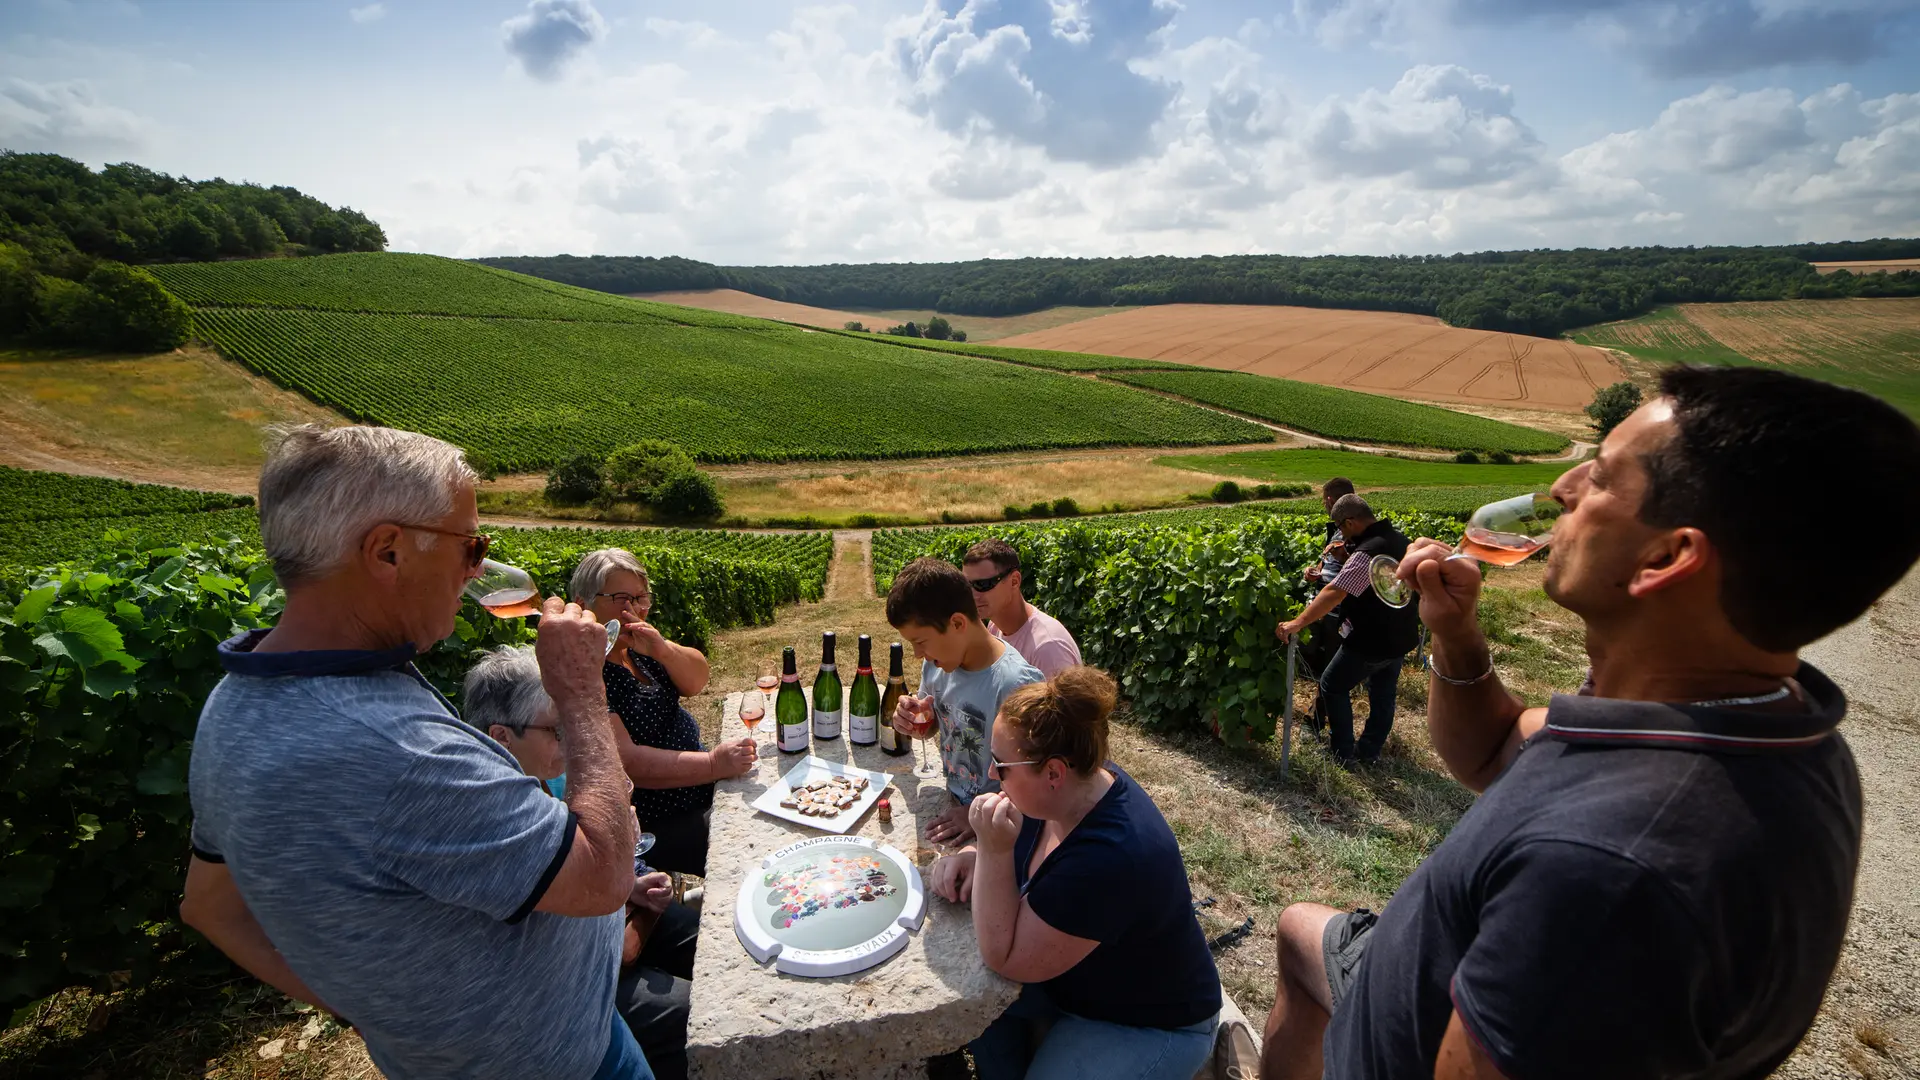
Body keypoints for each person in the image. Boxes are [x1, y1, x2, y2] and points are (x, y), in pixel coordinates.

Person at [1261, 366, 1920, 1080]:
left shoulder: (1609, 874)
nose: (1562, 489)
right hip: (1417, 978)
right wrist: (1457, 637)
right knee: (1302, 931)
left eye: (1601, 477)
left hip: (1399, 1049)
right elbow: (1489, 752)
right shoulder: (1749, 723)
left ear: (1666, 559)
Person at [180, 425, 652, 1080]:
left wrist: (381, 1014)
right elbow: (603, 877)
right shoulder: (398, 753)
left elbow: (210, 905)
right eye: (471, 545)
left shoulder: (233, 706)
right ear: (388, 552)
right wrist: (578, 690)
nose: (479, 570)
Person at [928, 668, 1222, 1080]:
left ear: (1052, 773)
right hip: (1080, 984)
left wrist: (992, 848)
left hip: (1150, 1023)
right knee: (973, 1006)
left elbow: (1005, 957)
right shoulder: (1071, 789)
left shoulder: (1109, 857)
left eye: (1001, 764)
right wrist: (976, 853)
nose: (993, 775)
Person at [465, 646, 697, 1080]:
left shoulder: (547, 771)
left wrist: (633, 886)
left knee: (711, 939)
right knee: (696, 1015)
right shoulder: (498, 825)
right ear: (501, 737)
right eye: (558, 730)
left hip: (617, 921)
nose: (574, 742)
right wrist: (630, 901)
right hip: (578, 991)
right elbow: (621, 951)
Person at [575, 548, 755, 878]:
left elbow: (697, 680)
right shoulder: (586, 672)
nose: (635, 608)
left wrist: (664, 649)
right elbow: (627, 762)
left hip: (698, 786)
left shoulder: (637, 649)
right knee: (746, 846)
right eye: (621, 598)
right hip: (654, 818)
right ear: (584, 603)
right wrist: (714, 764)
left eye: (642, 597)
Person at [887, 556, 1044, 847]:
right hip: (954, 803)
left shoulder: (1016, 684)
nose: (917, 655)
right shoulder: (939, 663)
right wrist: (920, 718)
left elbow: (1036, 780)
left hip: (1002, 827)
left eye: (920, 642)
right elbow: (937, 721)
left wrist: (975, 815)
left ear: (958, 622)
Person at [1276, 494, 1421, 766]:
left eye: (1341, 526)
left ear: (1352, 522)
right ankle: (1369, 751)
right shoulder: (1401, 541)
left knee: (1332, 686)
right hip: (1401, 636)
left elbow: (1334, 592)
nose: (1340, 533)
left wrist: (1297, 622)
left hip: (1371, 639)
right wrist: (1347, 556)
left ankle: (1341, 753)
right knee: (1383, 695)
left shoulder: (1366, 553)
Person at [963, 538, 1082, 677]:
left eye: (982, 585)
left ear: (1014, 581)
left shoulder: (1047, 648)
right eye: (966, 585)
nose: (972, 595)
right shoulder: (995, 627)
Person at [1303, 476, 1357, 587]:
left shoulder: (1358, 531)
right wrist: (1313, 570)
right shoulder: (1337, 531)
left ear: (1330, 501)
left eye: (1324, 502)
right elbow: (1326, 563)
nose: (1324, 506)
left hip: (1336, 602)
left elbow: (1363, 571)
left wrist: (1344, 558)